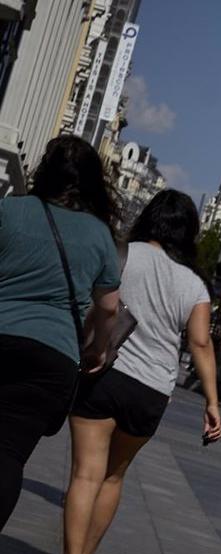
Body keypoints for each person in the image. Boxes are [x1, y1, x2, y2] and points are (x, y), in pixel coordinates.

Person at [41, 190, 221, 554]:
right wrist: (212, 402)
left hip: (104, 372)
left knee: (85, 474)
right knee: (112, 478)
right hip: (152, 390)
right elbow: (200, 343)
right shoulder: (195, 284)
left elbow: (94, 303)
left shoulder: (122, 254)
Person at [0, 135, 124, 532]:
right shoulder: (99, 235)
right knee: (9, 454)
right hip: (52, 357)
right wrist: (97, 350)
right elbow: (109, 307)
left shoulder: (9, 209)